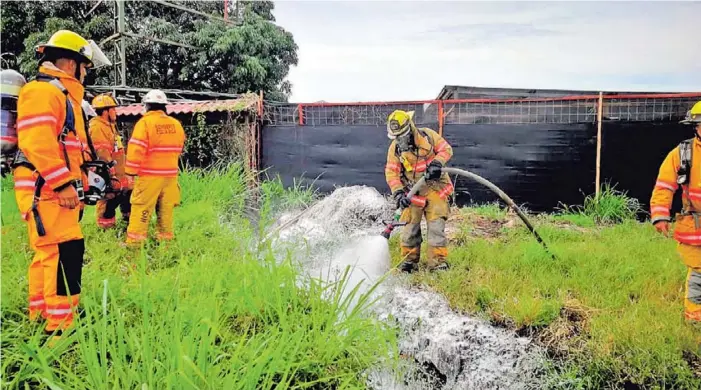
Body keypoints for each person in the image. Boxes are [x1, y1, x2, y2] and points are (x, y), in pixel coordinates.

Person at [11, 29, 110, 337]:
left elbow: (69, 149)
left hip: (48, 190)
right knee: (64, 254)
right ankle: (61, 329)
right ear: (71, 64)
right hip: (48, 190)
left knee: (47, 254)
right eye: (85, 66)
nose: (85, 74)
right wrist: (64, 184)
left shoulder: (64, 97)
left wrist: (81, 183)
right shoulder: (45, 92)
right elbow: (38, 144)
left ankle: (39, 316)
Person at [384, 109, 454, 273]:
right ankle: (409, 262)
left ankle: (438, 264)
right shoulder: (395, 149)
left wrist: (437, 163)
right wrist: (399, 192)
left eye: (401, 135)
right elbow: (391, 172)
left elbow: (446, 149)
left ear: (410, 128)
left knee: (436, 227)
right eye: (396, 137)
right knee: (409, 229)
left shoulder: (428, 136)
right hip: (412, 193)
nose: (399, 140)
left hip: (436, 189)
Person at [650, 100, 701, 322]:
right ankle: (695, 317)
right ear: (695, 127)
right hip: (695, 226)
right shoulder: (682, 154)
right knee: (699, 272)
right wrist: (660, 216)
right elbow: (664, 186)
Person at [125, 89, 185, 246]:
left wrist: (130, 173)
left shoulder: (145, 123)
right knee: (166, 210)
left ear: (147, 106)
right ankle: (165, 243)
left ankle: (135, 245)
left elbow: (136, 149)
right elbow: (179, 148)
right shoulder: (176, 124)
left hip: (149, 176)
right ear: (164, 106)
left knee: (142, 209)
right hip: (170, 177)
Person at [89, 94, 132, 228]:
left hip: (119, 174)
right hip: (108, 174)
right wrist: (110, 174)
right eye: (113, 109)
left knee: (126, 197)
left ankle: (126, 226)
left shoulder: (109, 126)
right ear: (105, 111)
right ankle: (106, 232)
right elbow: (102, 153)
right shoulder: (97, 127)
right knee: (107, 202)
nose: (115, 112)